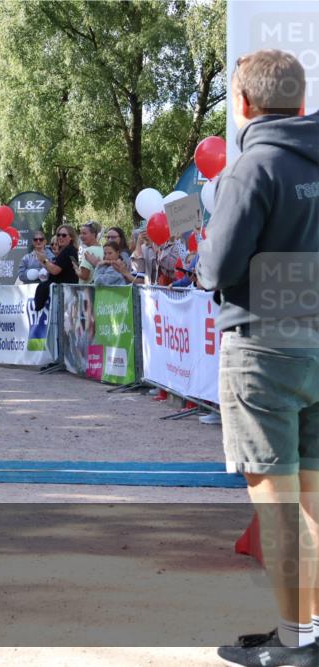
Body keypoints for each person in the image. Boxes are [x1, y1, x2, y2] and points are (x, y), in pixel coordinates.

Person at [197, 50, 319, 667]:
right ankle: (309, 631)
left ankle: (300, 642)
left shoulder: (255, 165)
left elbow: (214, 269)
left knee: (277, 504)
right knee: (309, 503)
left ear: (243, 104)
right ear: (300, 101)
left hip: (265, 348)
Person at [33, 225, 79, 311]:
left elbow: (55, 270)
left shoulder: (69, 250)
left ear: (71, 237)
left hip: (64, 295)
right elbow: (55, 269)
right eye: (58, 235)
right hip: (63, 294)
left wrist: (44, 260)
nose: (60, 237)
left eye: (64, 235)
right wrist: (43, 262)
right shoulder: (67, 250)